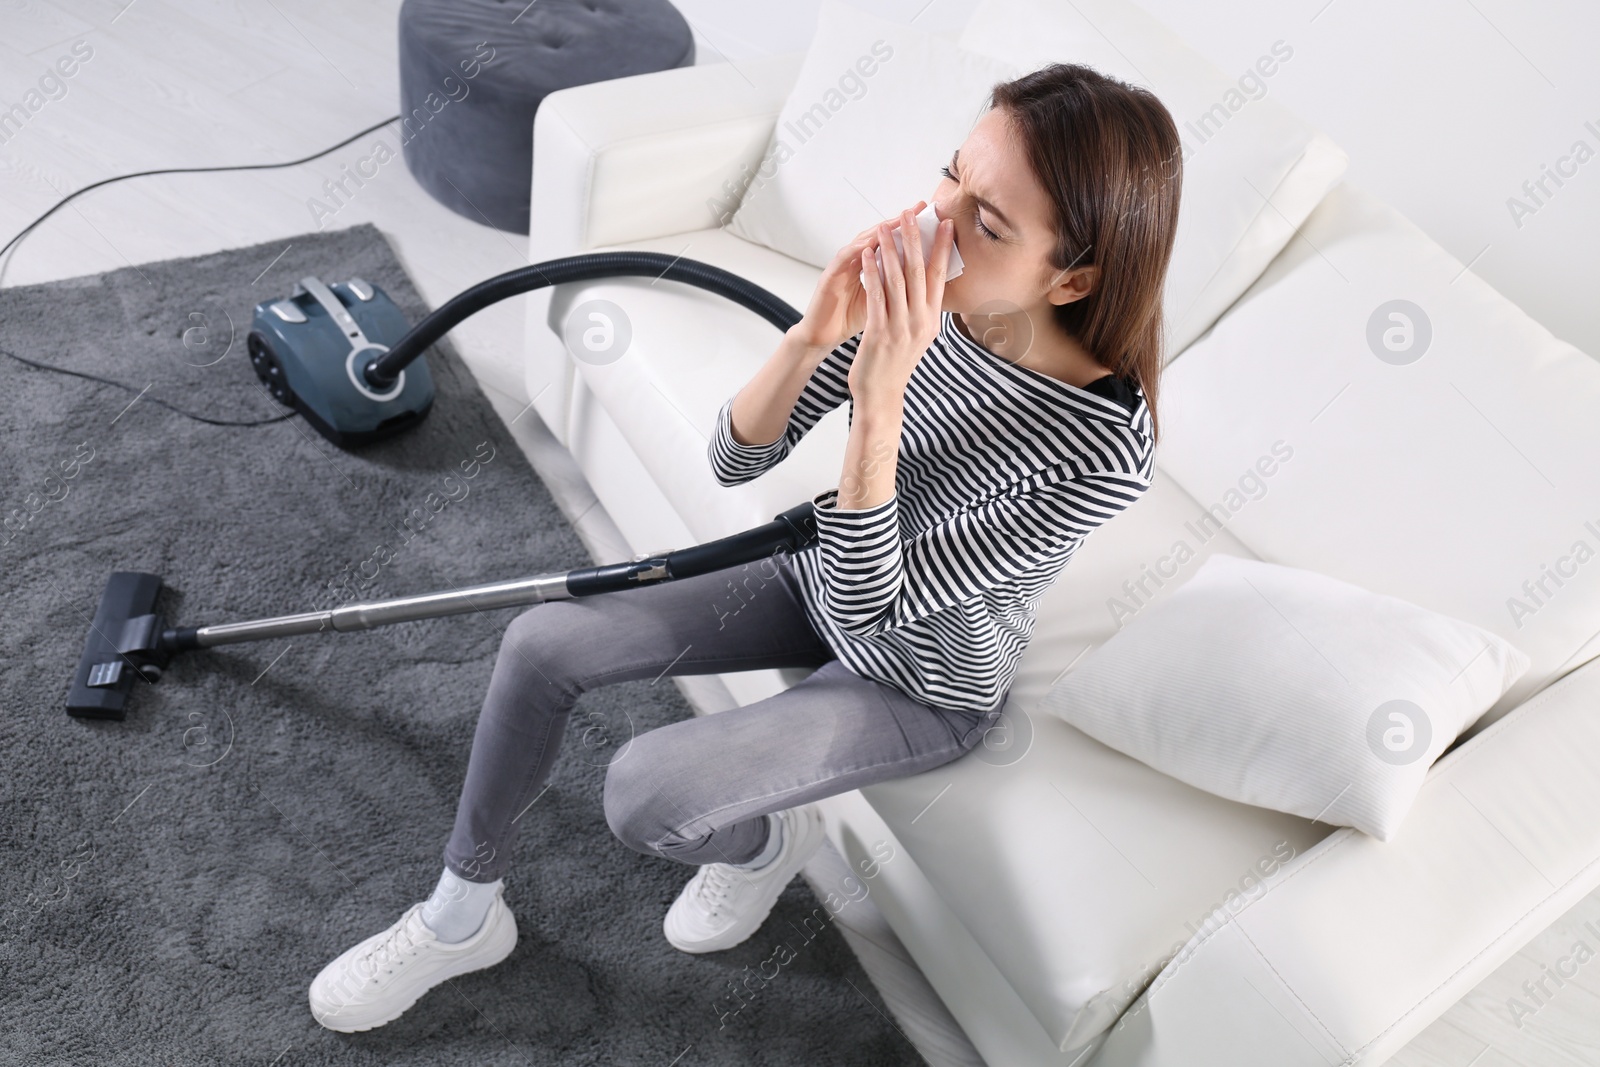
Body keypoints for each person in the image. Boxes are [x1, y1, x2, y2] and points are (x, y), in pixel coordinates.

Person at [306, 61, 1182, 1033]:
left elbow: (870, 610)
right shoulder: (945, 313)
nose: (934, 218)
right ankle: (461, 912)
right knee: (541, 643)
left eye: (988, 221)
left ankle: (764, 845)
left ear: (1075, 276)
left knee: (645, 793)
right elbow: (734, 455)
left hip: (919, 675)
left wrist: (879, 404)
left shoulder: (1103, 447)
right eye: (952, 176)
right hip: (824, 575)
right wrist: (815, 334)